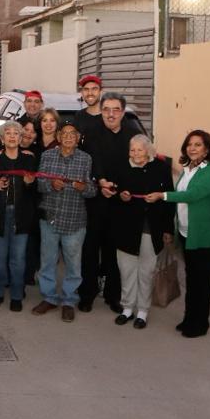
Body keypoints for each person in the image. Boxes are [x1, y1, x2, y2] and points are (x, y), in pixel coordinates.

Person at [145, 130, 210, 339]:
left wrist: (162, 195)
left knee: (203, 280)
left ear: (207, 149)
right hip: (187, 232)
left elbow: (192, 195)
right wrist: (172, 230)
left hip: (206, 235)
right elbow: (182, 204)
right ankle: (189, 318)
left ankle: (201, 323)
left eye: (198, 145)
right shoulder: (187, 169)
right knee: (192, 279)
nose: (192, 148)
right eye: (189, 144)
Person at [78, 91, 139, 314]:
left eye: (115, 110)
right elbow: (87, 162)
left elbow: (139, 165)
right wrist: (101, 182)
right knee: (90, 250)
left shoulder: (133, 134)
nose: (110, 114)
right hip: (95, 200)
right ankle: (87, 293)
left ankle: (113, 295)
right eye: (106, 110)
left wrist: (121, 188)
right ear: (101, 111)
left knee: (115, 253)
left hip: (122, 202)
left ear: (123, 112)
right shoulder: (91, 133)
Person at [32, 123, 95, 322]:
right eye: (64, 134)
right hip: (50, 218)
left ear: (78, 138)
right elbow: (39, 185)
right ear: (58, 136)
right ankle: (49, 297)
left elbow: (92, 190)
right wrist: (51, 184)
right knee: (47, 262)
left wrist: (82, 188)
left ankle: (69, 301)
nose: (68, 137)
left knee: (73, 265)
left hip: (75, 220)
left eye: (72, 134)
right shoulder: (47, 156)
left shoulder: (86, 159)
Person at [113, 135, 175, 329]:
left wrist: (167, 228)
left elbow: (168, 199)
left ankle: (142, 310)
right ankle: (127, 308)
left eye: (140, 150)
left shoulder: (161, 168)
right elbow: (113, 193)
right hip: (125, 226)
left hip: (151, 227)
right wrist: (120, 196)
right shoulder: (121, 167)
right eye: (132, 150)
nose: (135, 154)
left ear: (148, 150)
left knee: (146, 270)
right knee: (126, 269)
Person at [0, 121, 37, 312]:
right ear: (2, 138)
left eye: (15, 133)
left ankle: (17, 295)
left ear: (20, 138)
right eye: (7, 133)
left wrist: (29, 183)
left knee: (18, 259)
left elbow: (35, 191)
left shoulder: (29, 159)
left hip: (21, 215)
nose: (11, 136)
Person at [73, 74, 105, 141]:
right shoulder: (79, 116)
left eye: (94, 89)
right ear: (82, 92)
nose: (90, 93)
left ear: (100, 91)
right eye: (86, 89)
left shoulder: (109, 115)